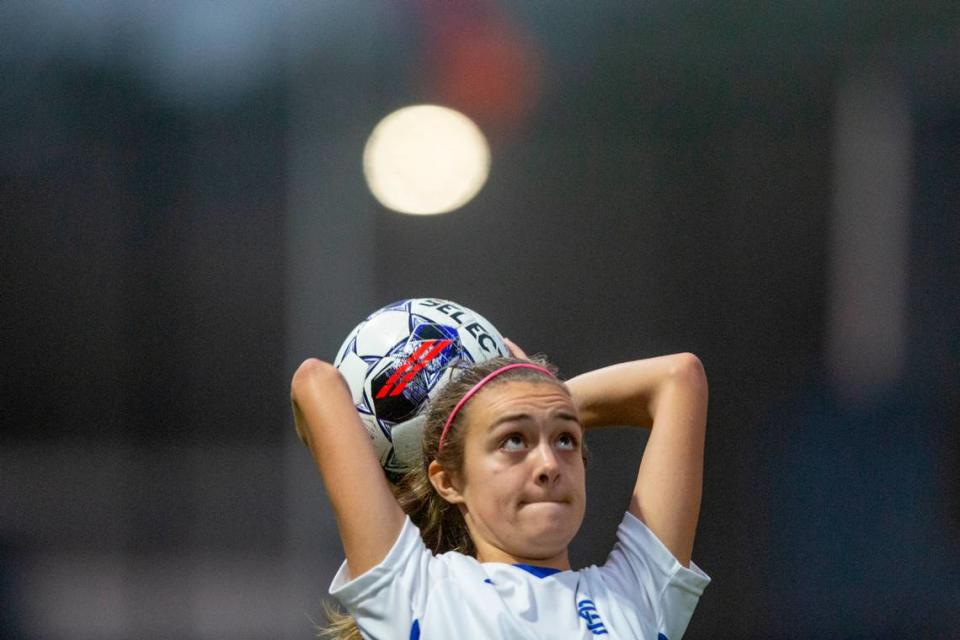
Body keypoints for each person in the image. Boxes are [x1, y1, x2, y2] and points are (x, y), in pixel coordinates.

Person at [290, 342, 710, 639]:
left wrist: (519, 396)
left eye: (566, 439)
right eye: (514, 441)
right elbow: (316, 382)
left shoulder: (636, 597)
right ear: (448, 480)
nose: (548, 465)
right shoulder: (417, 593)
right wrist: (499, 403)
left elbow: (679, 378)